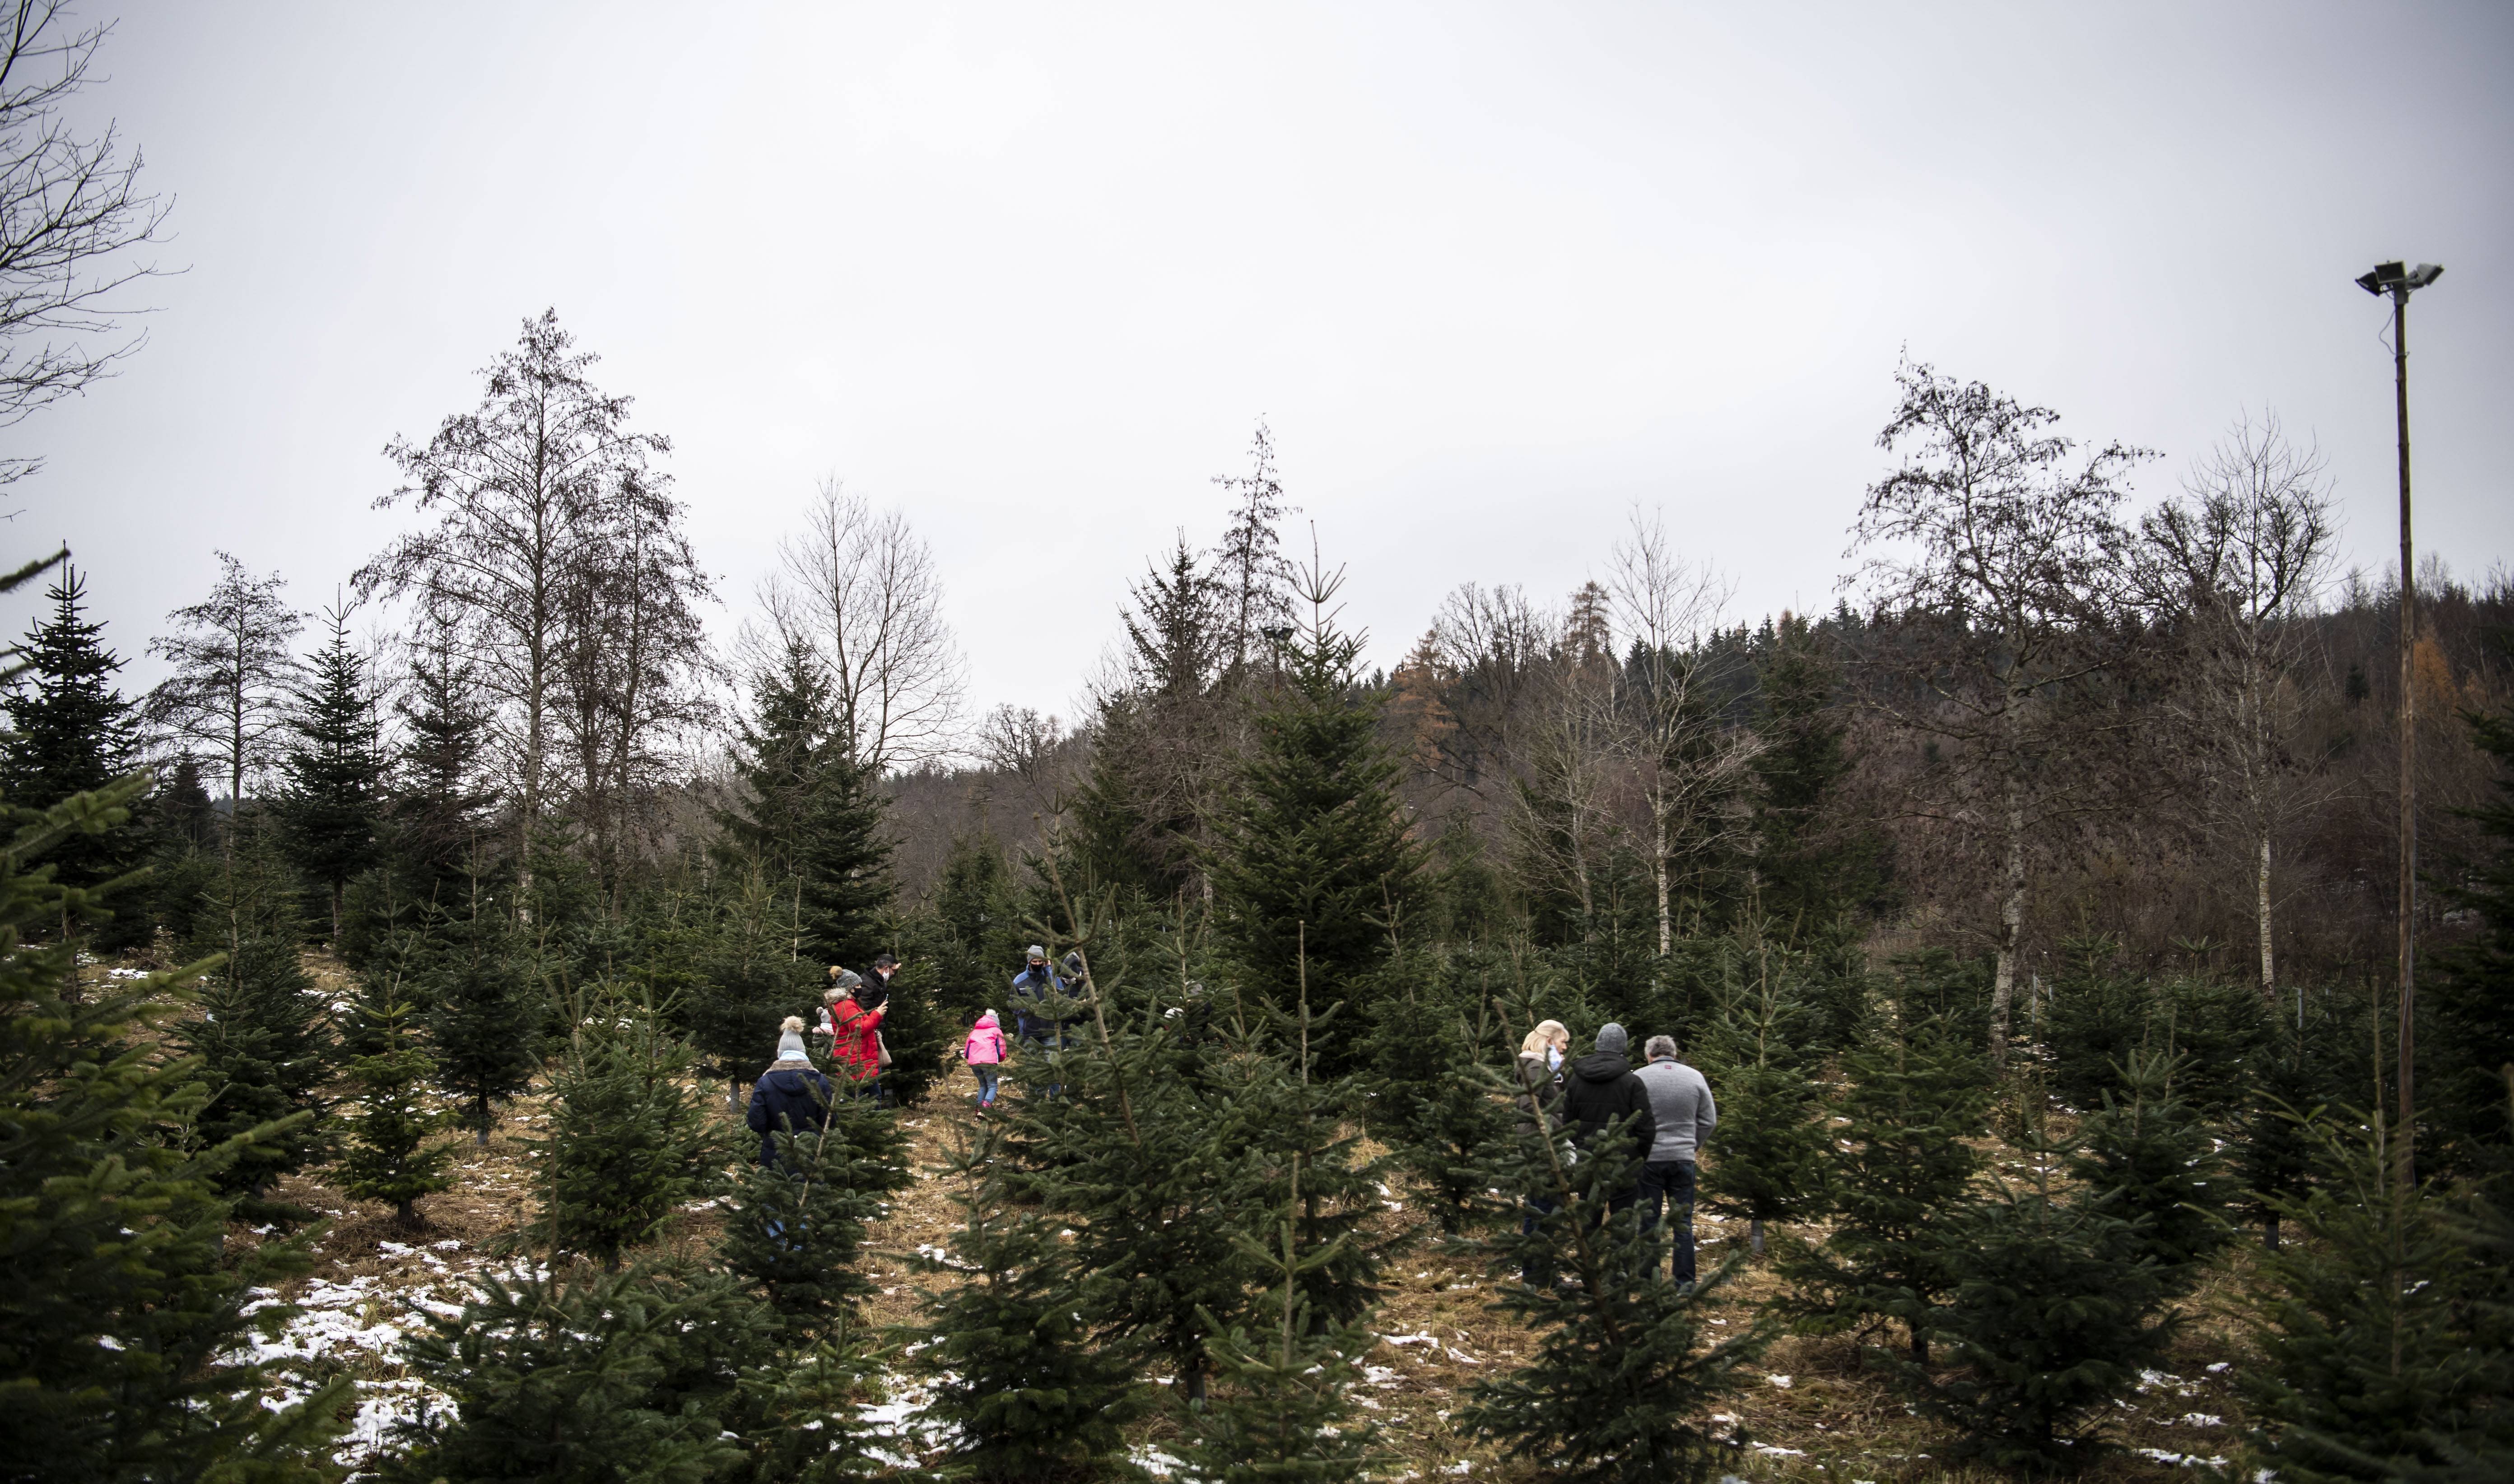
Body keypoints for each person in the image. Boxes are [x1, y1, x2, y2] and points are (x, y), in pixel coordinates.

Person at [1634, 1033, 1718, 1284]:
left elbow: (1631, 1119)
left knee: (1649, 1221)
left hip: (1649, 1160)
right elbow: (1709, 1120)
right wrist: (1692, 1145)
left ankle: (1649, 1280)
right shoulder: (1695, 1077)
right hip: (1683, 1159)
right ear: (1675, 1054)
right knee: (1683, 1223)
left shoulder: (1638, 1078)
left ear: (1649, 1055)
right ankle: (1686, 1283)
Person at [1557, 1022, 1657, 1215]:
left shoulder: (1577, 1080)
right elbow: (1646, 1127)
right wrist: (1637, 1157)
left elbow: (1567, 1122)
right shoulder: (1632, 1082)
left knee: (1588, 1223)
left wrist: (1582, 1148)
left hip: (1588, 1162)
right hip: (1624, 1164)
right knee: (1624, 1226)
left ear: (1597, 1045)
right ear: (1623, 1048)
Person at [1513, 1020, 1571, 1284]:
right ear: (1549, 1042)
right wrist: (1557, 1128)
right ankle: (1539, 1275)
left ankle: (1536, 1273)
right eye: (1562, 1042)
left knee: (1538, 1207)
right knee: (1544, 1208)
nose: (1565, 1047)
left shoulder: (1540, 1066)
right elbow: (1530, 1106)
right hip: (1541, 1145)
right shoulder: (1536, 1067)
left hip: (1540, 1143)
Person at [746, 1019, 834, 1168]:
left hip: (775, 1156)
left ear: (780, 1053)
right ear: (803, 1052)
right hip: (811, 1154)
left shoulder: (765, 1082)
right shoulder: (820, 1081)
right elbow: (830, 1122)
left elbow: (757, 1123)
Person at [827, 983, 887, 1098]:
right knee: (869, 1099)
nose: (861, 987)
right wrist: (877, 1014)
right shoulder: (846, 1005)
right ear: (850, 988)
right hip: (856, 1061)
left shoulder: (850, 1004)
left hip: (861, 1059)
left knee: (874, 1097)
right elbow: (861, 1029)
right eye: (858, 985)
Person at [963, 1009, 1009, 1110]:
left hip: (974, 1062)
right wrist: (1000, 1059)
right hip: (989, 1062)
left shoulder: (974, 1032)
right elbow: (1001, 1048)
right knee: (993, 1086)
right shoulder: (996, 1031)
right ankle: (986, 1107)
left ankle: (979, 1108)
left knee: (983, 1085)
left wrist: (972, 1059)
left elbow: (967, 1050)